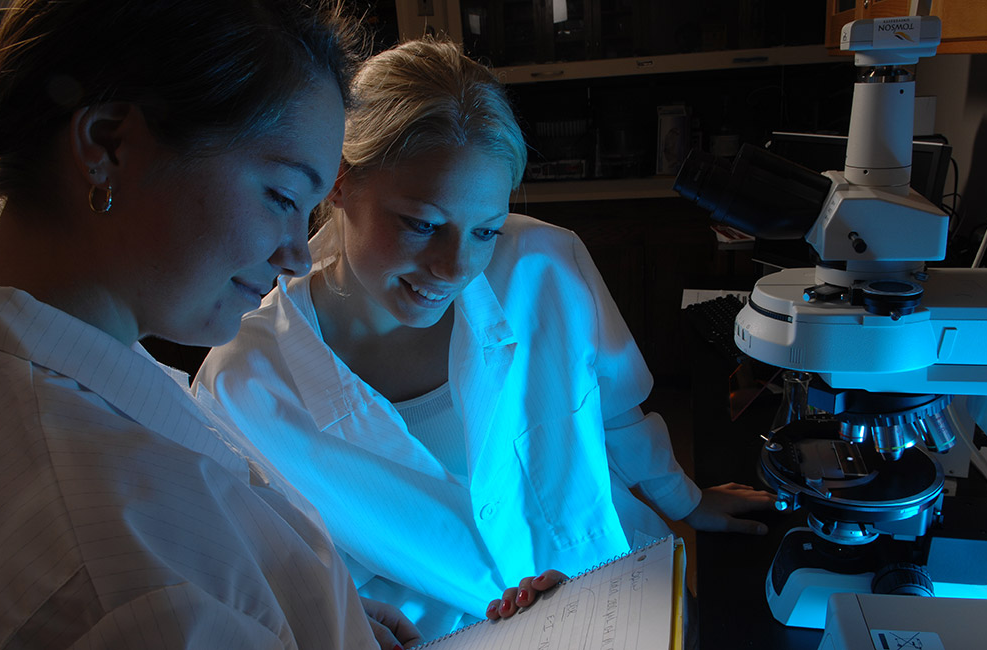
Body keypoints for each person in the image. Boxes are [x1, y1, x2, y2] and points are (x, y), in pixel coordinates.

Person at [0, 3, 561, 648]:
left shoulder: (82, 361)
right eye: (282, 197)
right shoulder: (117, 570)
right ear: (108, 144)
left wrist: (314, 606)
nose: (294, 254)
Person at [195, 36, 776, 641]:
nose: (455, 268)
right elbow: (276, 562)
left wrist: (685, 502)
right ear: (339, 181)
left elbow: (614, 414)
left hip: (611, 594)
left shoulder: (542, 264)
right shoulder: (244, 381)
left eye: (485, 231)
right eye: (422, 225)